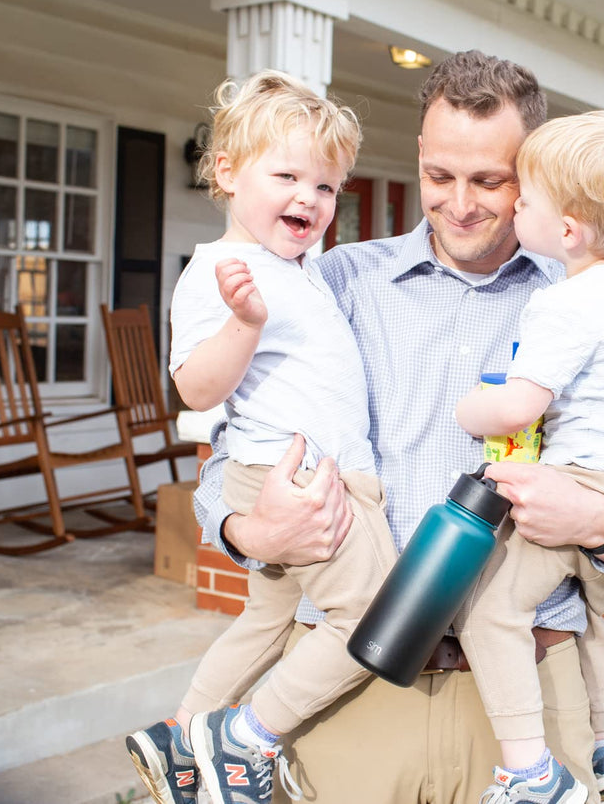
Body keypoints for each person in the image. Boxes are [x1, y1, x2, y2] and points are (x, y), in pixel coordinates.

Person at [169, 50, 604, 804]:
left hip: (525, 699)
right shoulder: (331, 285)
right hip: (350, 689)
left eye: (491, 180)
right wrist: (249, 535)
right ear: (419, 156)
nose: (459, 204)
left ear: (536, 172)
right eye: (439, 176)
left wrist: (603, 521)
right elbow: (231, 461)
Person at [125, 69, 399, 804]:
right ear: (226, 172)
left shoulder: (299, 267)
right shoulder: (222, 271)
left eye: (326, 186)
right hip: (291, 478)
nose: (308, 198)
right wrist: (244, 324)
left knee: (269, 620)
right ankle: (248, 737)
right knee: (374, 616)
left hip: (305, 472)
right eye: (286, 175)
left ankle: (181, 733)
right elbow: (194, 388)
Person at [453, 110, 604, 804]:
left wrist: (468, 407)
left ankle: (531, 773)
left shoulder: (562, 304)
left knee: (490, 609)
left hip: (579, 478)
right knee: (587, 610)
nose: (513, 206)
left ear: (568, 229)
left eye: (524, 197)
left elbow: (515, 407)